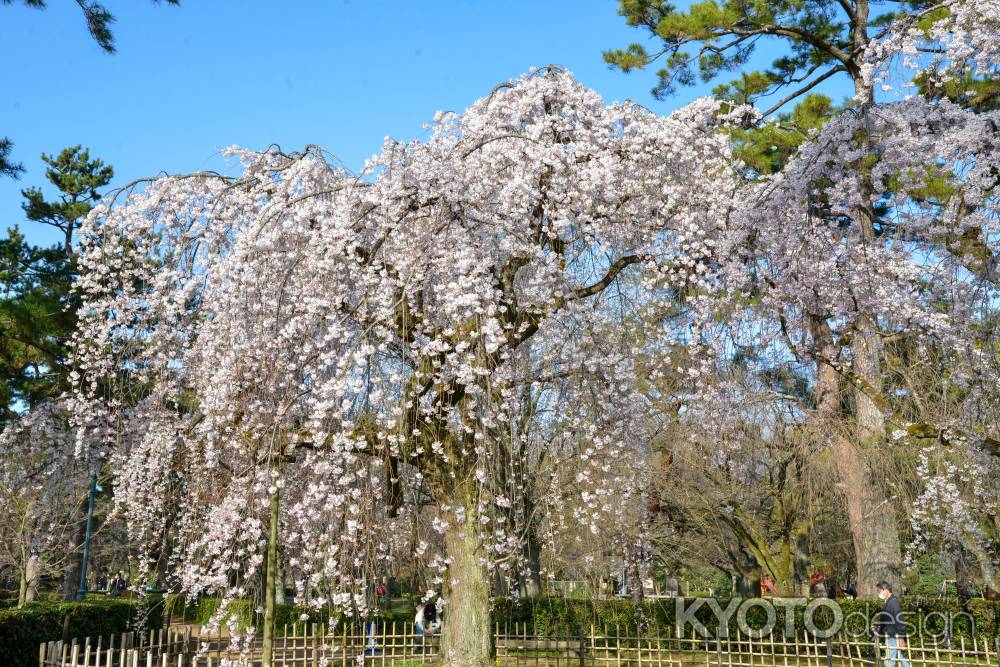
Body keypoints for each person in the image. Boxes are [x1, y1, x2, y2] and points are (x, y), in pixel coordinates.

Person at [872, 581, 910, 667]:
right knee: (900, 658)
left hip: (893, 636)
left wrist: (901, 637)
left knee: (889, 661)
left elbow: (900, 620)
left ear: (885, 590)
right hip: (892, 635)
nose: (878, 593)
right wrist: (878, 625)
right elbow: (887, 620)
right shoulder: (889, 602)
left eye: (879, 591)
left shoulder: (893, 602)